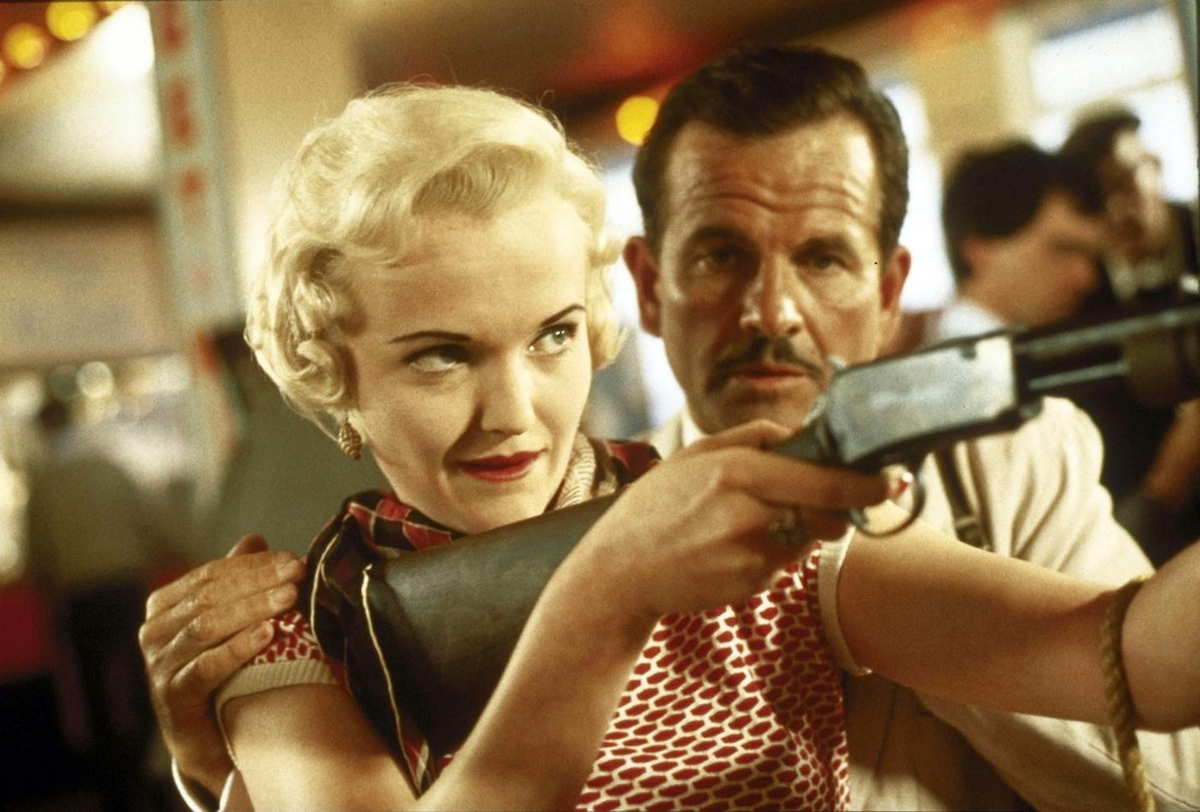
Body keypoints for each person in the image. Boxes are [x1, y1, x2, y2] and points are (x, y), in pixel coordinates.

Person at [142, 50, 1200, 811]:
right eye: (441, 355)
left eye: (552, 336)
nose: (514, 410)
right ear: (335, 374)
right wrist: (611, 589)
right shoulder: (300, 632)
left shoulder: (730, 503)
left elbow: (1130, 657)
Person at [1057, 109, 1200, 563]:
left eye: (1125, 182)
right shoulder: (1078, 299)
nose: (1117, 211)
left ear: (1155, 166)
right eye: (1098, 199)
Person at [925, 141, 1107, 343]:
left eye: (1092, 255)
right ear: (978, 250)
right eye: (1062, 249)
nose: (1087, 278)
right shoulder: (959, 357)